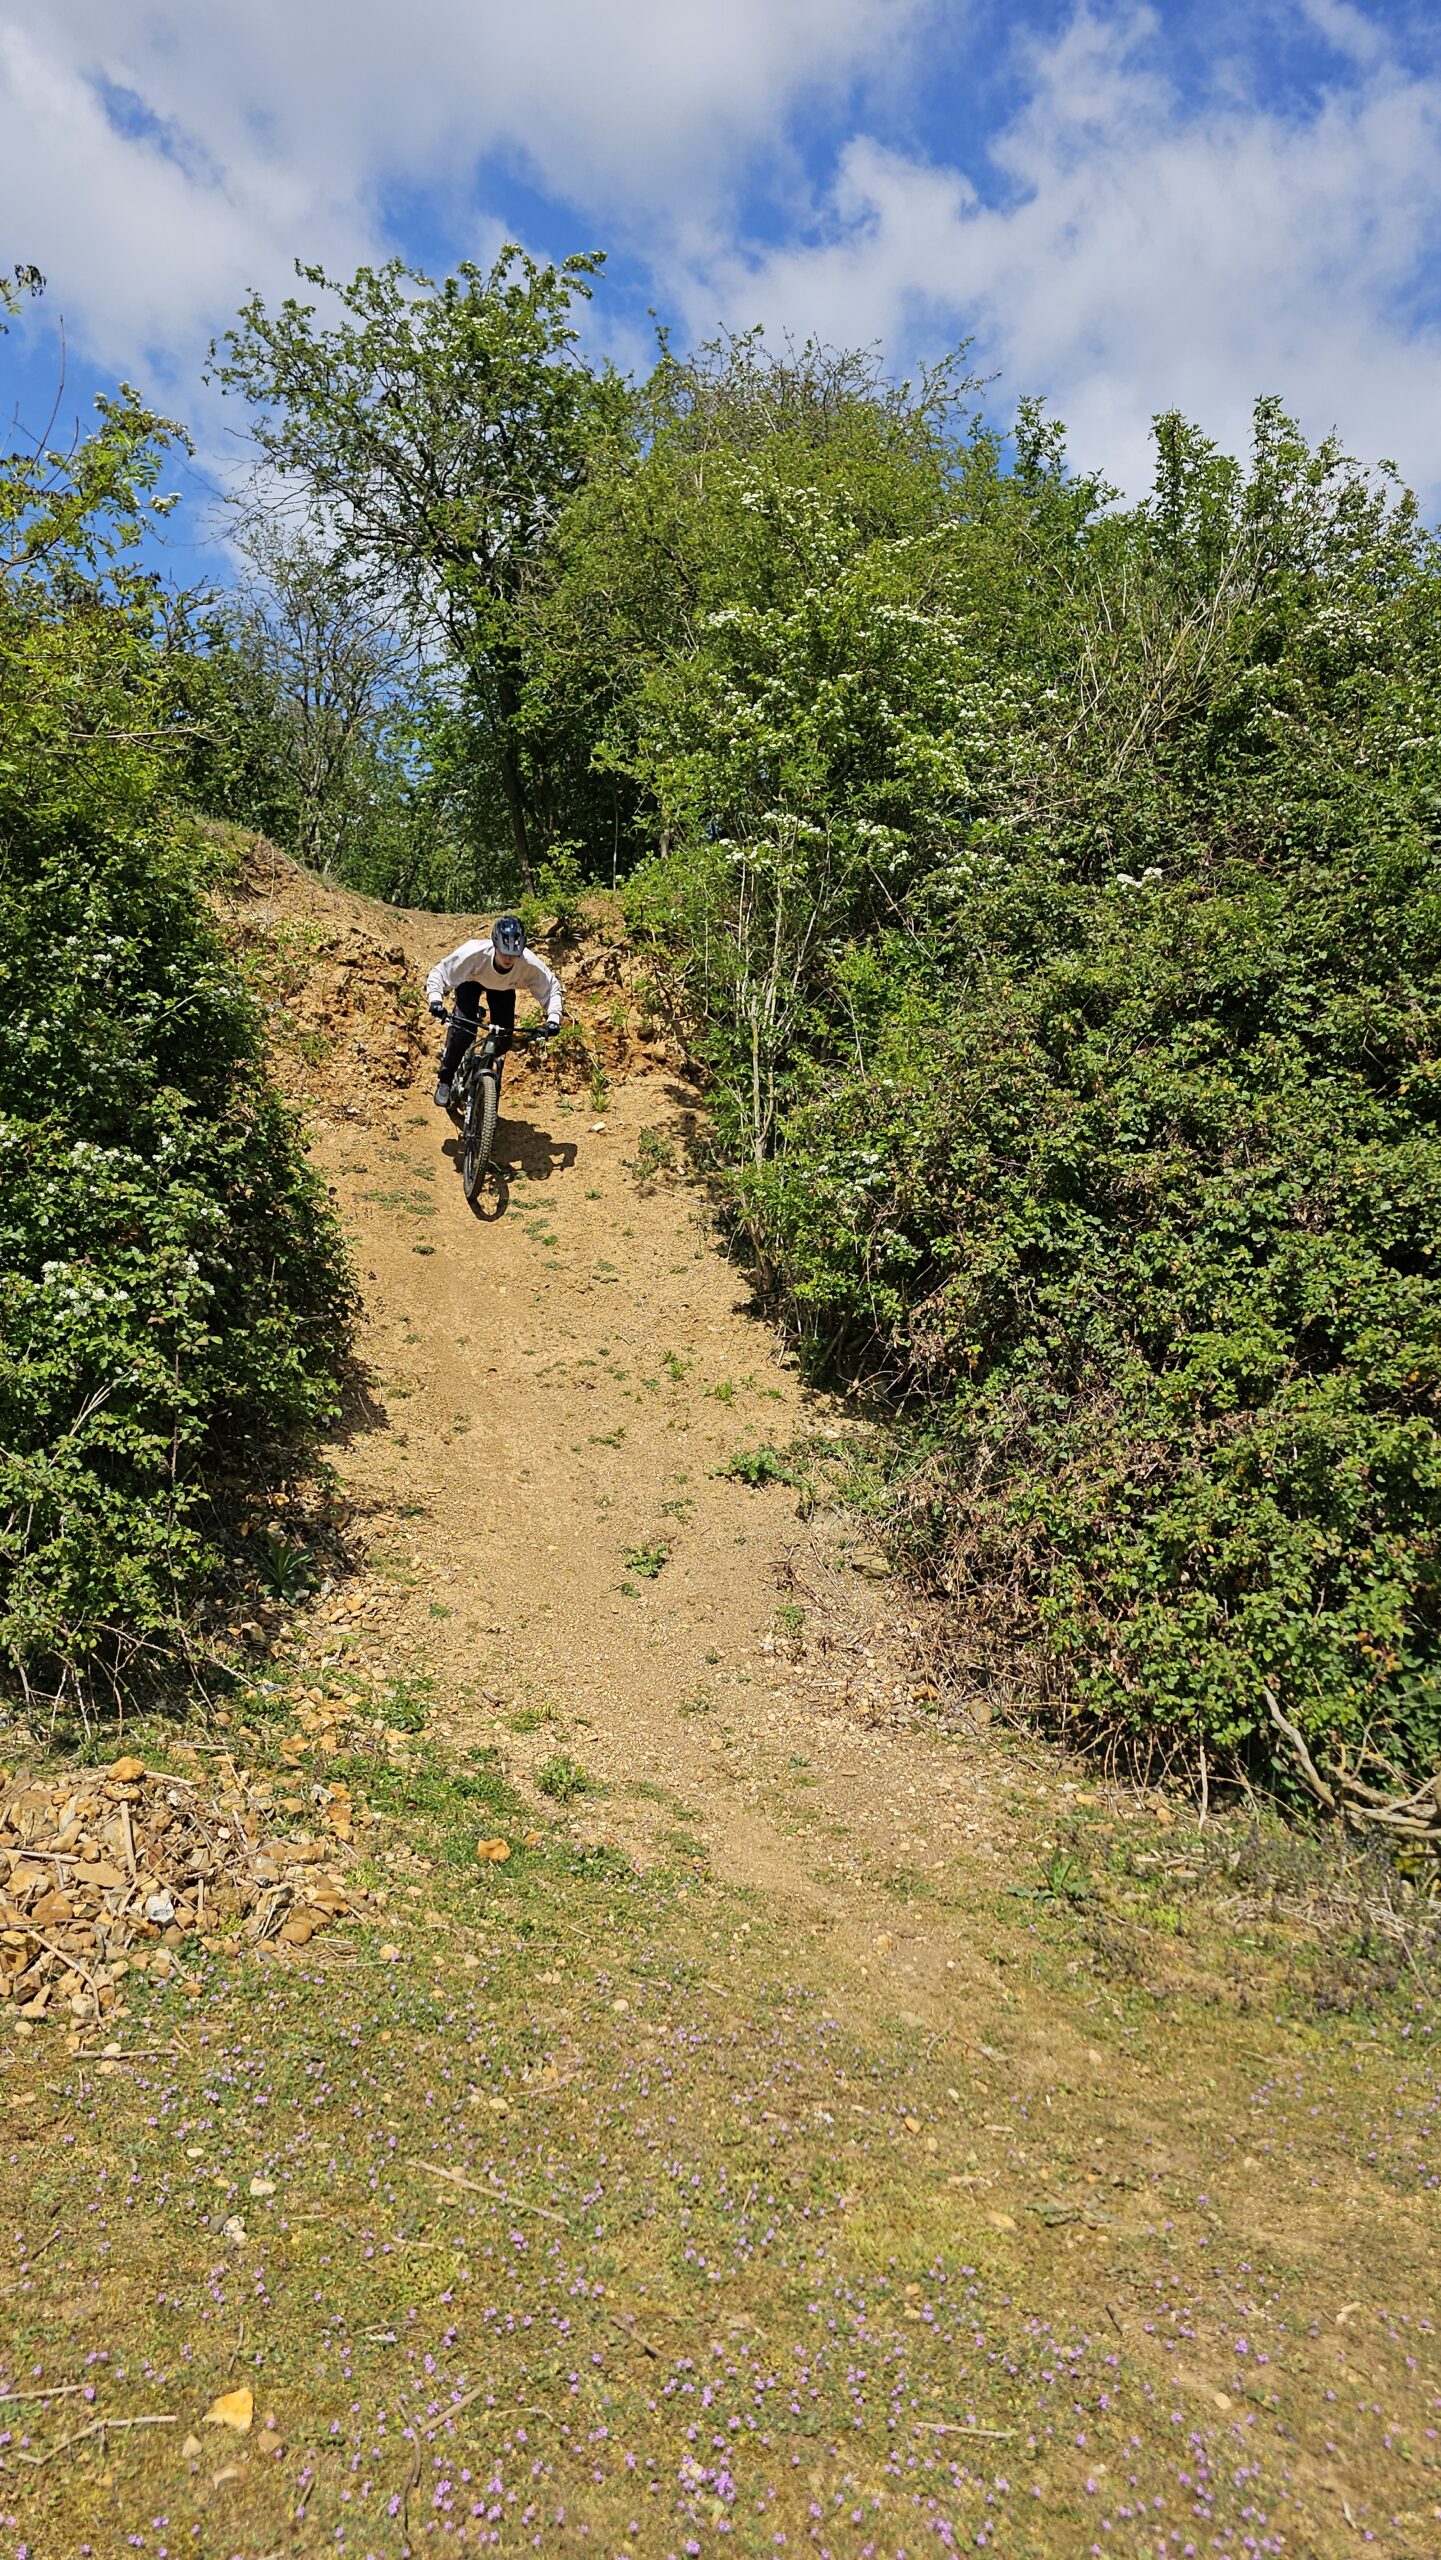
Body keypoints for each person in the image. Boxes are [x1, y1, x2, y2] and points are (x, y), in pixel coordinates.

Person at [425, 913, 563, 1109]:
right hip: (471, 982)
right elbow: (440, 972)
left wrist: (553, 1019)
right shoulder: (474, 953)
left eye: (514, 954)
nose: (509, 959)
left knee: (503, 1040)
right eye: (504, 952)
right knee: (464, 1032)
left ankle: (482, 1077)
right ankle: (445, 1080)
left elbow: (551, 989)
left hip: (504, 990)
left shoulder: (528, 963)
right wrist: (436, 1000)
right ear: (495, 946)